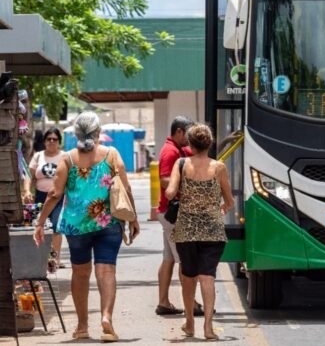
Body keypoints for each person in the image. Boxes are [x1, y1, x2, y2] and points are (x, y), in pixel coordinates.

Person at [34, 111, 140, 342]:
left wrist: (40, 222)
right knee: (107, 270)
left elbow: (54, 193)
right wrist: (133, 218)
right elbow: (126, 188)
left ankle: (82, 327)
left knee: (80, 273)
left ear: (77, 133)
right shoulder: (111, 154)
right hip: (109, 223)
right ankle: (106, 317)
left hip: (77, 227)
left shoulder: (68, 159)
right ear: (98, 132)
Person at [166, 124, 234, 341]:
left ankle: (189, 322)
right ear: (209, 143)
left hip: (187, 231)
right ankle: (208, 327)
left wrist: (173, 191)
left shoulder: (182, 163)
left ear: (190, 143)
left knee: (188, 277)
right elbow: (229, 200)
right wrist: (221, 207)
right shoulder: (219, 167)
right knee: (207, 277)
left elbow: (169, 193)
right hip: (213, 231)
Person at [155, 116, 199, 316]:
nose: (189, 138)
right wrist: (185, 186)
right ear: (179, 132)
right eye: (187, 134)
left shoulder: (180, 149)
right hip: (172, 214)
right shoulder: (170, 151)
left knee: (169, 259)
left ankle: (163, 302)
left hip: (168, 213)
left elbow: (202, 152)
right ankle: (192, 305)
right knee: (184, 259)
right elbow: (164, 179)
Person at [29, 127, 67, 267]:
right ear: (44, 141)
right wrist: (27, 190)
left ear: (59, 142)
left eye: (54, 139)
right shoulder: (38, 156)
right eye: (48, 139)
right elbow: (29, 175)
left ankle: (55, 259)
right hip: (40, 197)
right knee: (40, 225)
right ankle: (42, 258)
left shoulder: (64, 156)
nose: (51, 141)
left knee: (56, 226)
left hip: (58, 197)